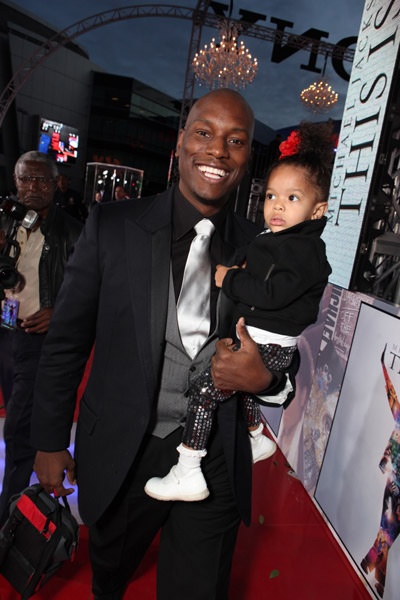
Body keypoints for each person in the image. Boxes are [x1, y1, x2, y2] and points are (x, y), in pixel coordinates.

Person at [30, 89, 296, 600]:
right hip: (125, 453)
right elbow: (65, 343)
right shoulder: (112, 228)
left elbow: (286, 345)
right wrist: (47, 440)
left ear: (247, 158)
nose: (217, 151)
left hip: (215, 455)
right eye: (204, 133)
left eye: (235, 141)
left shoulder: (264, 250)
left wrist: (268, 379)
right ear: (180, 142)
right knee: (110, 578)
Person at [144, 121, 333, 502]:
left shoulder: (301, 249)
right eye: (270, 196)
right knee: (241, 390)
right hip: (258, 339)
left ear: (319, 210)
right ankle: (256, 439)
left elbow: (273, 293)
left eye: (292, 198)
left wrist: (229, 279)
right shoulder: (276, 241)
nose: (277, 205)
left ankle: (188, 469)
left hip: (268, 345)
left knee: (204, 394)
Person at [0, 151, 83, 525]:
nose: (32, 188)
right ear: (15, 182)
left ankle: (9, 514)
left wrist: (58, 313)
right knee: (14, 412)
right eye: (25, 180)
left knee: (18, 425)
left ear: (55, 184)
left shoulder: (73, 231)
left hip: (38, 339)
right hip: (5, 331)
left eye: (41, 180)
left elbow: (88, 292)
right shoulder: (5, 221)